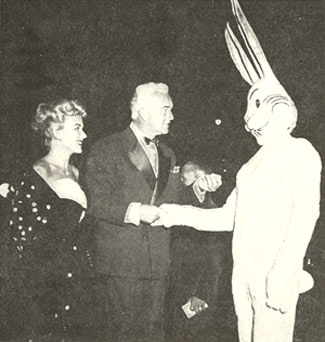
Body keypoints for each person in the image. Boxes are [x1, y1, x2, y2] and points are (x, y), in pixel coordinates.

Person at [156, 1, 322, 341]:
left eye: (255, 103)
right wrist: (173, 213)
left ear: (280, 106)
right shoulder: (250, 167)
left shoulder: (299, 151)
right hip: (243, 275)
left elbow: (306, 214)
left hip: (273, 274)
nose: (248, 118)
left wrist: (284, 270)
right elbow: (226, 217)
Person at [85, 82, 221, 342]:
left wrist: (198, 189)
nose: (172, 116)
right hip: (121, 263)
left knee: (154, 333)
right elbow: (96, 201)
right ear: (144, 112)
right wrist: (135, 211)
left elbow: (171, 199)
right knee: (123, 334)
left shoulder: (168, 154)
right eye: (166, 109)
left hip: (158, 263)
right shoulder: (106, 148)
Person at [0, 100, 96, 341]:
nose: (83, 134)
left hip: (81, 282)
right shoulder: (34, 175)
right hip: (48, 290)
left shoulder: (78, 172)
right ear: (55, 131)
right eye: (76, 127)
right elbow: (24, 242)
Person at [166, 161, 229, 342]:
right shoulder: (175, 206)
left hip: (195, 296)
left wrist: (202, 294)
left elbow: (214, 261)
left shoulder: (212, 215)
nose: (180, 182)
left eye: (184, 178)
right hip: (174, 292)